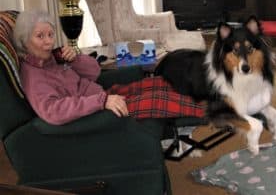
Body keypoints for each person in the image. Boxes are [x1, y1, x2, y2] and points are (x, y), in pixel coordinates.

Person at [14, 10, 206, 125]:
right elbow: (53, 112)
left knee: (160, 83)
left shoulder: (54, 59)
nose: (48, 41)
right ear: (24, 41)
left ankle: (210, 96)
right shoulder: (33, 76)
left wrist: (75, 58)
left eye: (50, 34)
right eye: (40, 36)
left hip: (103, 96)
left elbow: (94, 72)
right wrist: (101, 102)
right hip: (96, 113)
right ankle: (213, 111)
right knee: (159, 99)